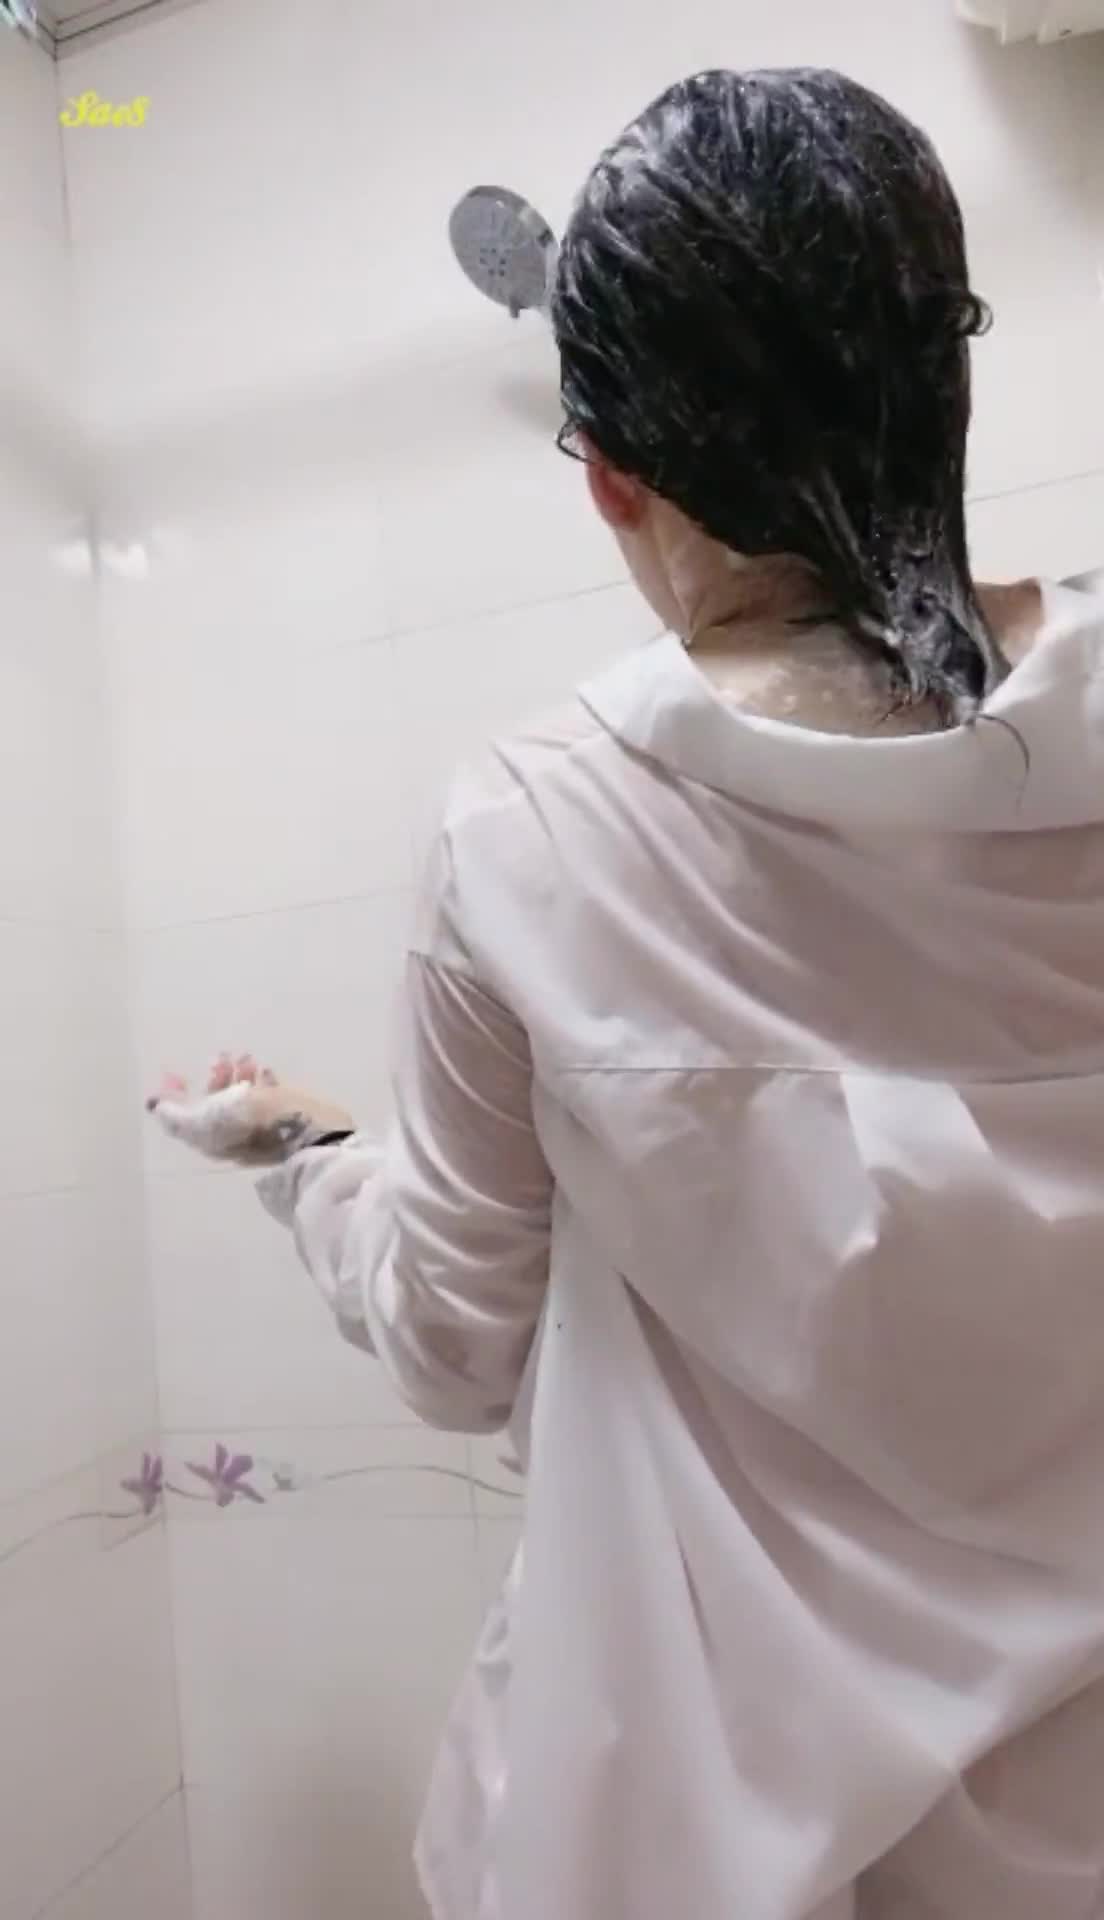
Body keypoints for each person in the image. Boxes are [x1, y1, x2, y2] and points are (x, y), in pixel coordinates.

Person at [149, 67, 1104, 1920]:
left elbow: (456, 1344)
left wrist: (307, 1154)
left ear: (607, 475)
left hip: (683, 1829)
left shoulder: (535, 831)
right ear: (947, 381)